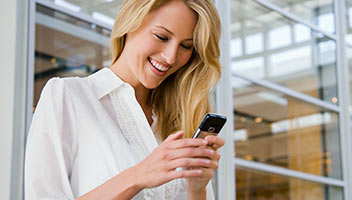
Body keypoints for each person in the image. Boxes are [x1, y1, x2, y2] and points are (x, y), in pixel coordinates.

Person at [24, 0, 225, 199]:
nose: (171, 57)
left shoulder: (181, 122)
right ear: (131, 24)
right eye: (161, 36)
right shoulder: (69, 96)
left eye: (186, 46)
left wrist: (196, 190)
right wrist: (138, 175)